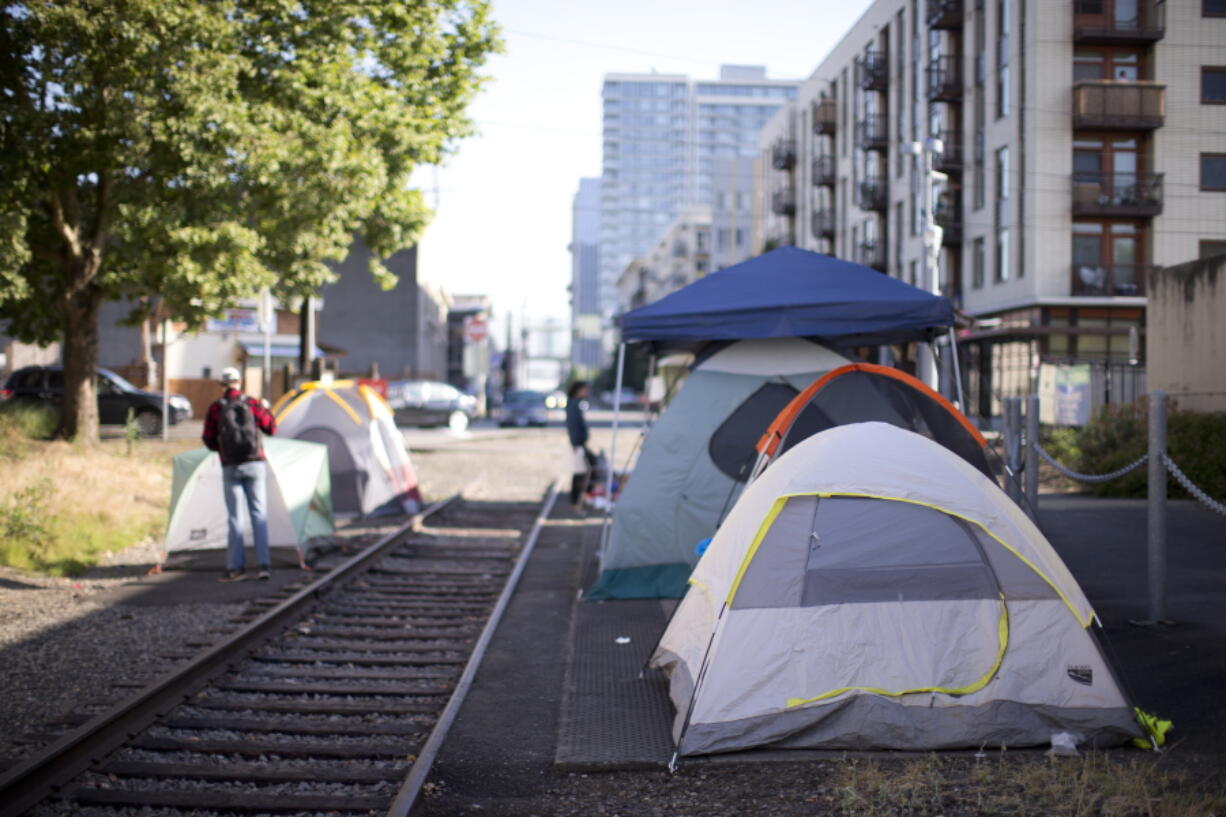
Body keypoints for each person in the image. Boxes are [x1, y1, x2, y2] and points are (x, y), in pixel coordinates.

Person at [202, 366, 277, 581]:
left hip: (230, 466)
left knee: (235, 517)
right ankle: (263, 566)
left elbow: (208, 440)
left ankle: (236, 569)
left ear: (221, 384)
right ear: (239, 382)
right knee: (259, 514)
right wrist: (266, 409)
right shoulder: (252, 404)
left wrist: (224, 451)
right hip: (255, 464)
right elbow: (271, 428)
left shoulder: (216, 408)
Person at [566, 380, 594, 508]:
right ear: (578, 390)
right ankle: (577, 499)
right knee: (581, 471)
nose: (586, 392)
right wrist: (575, 443)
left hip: (579, 443)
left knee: (583, 470)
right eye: (584, 389)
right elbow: (573, 426)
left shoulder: (575, 404)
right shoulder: (573, 404)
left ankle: (579, 498)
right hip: (578, 444)